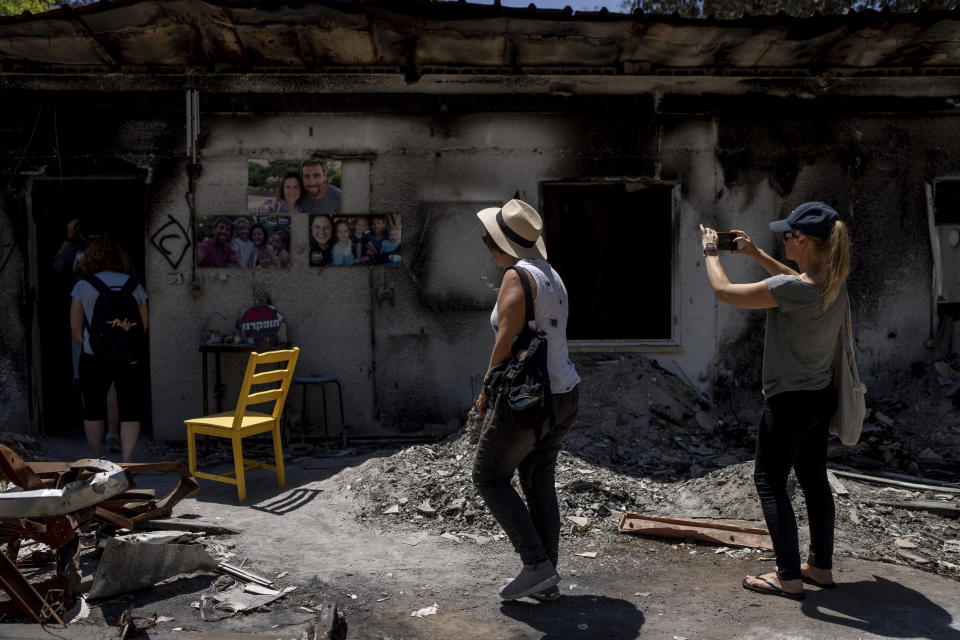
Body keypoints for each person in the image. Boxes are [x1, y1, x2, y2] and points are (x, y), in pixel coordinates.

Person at [700, 202, 851, 601]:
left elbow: (723, 292)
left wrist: (711, 253)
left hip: (788, 403)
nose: (782, 239)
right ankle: (819, 567)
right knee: (814, 480)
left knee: (769, 482)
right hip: (820, 397)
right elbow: (794, 281)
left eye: (787, 235)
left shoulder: (794, 290)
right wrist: (756, 254)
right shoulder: (833, 281)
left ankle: (788, 576)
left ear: (802, 240)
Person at [471, 199, 581, 601]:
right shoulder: (550, 273)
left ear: (502, 244)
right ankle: (546, 577)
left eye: (490, 241)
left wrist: (486, 385)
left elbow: (506, 338)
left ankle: (535, 564)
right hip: (564, 392)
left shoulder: (516, 276)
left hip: (529, 400)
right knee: (538, 482)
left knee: (488, 476)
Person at [69, 238, 148, 462]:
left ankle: (96, 458)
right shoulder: (134, 285)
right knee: (130, 410)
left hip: (93, 357)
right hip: (129, 357)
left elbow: (75, 329)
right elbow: (143, 325)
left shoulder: (83, 286)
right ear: (119, 258)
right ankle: (127, 461)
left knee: (93, 411)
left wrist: (93, 346)